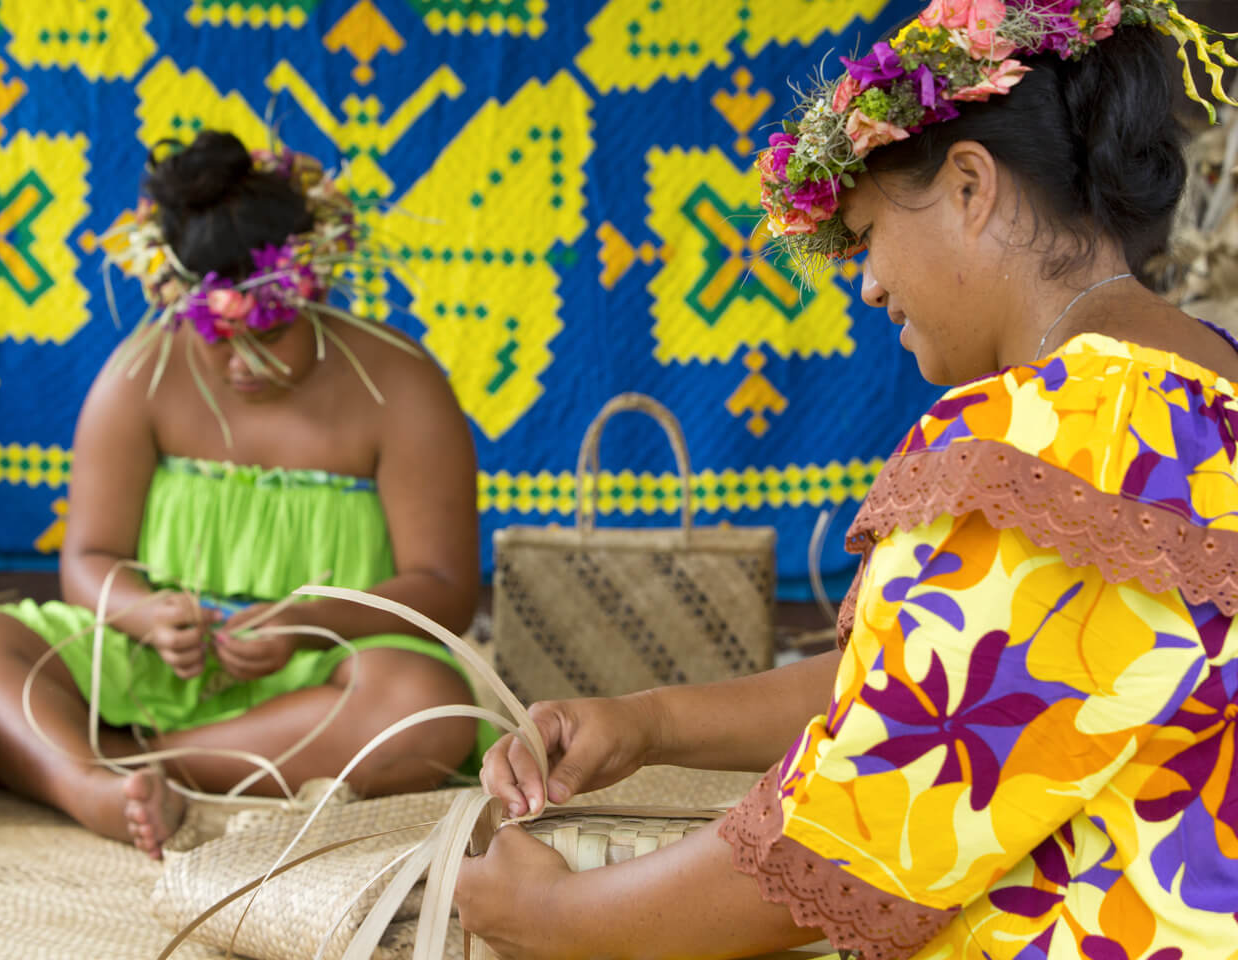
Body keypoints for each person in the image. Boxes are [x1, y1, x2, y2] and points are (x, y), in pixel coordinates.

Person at [455, 2, 1238, 957]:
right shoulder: (1202, 392)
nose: (866, 284)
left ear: (970, 187)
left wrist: (556, 920)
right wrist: (649, 723)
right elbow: (958, 683)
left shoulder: (1047, 435)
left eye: (866, 233)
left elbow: (858, 838)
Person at [0, 131, 486, 859]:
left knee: (428, 708)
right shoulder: (142, 374)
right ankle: (90, 782)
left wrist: (307, 621)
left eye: (271, 332)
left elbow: (445, 590)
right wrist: (145, 614)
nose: (242, 364)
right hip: (157, 664)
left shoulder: (399, 385)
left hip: (323, 673)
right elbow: (89, 557)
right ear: (182, 305)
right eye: (217, 336)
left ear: (311, 291)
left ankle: (106, 766)